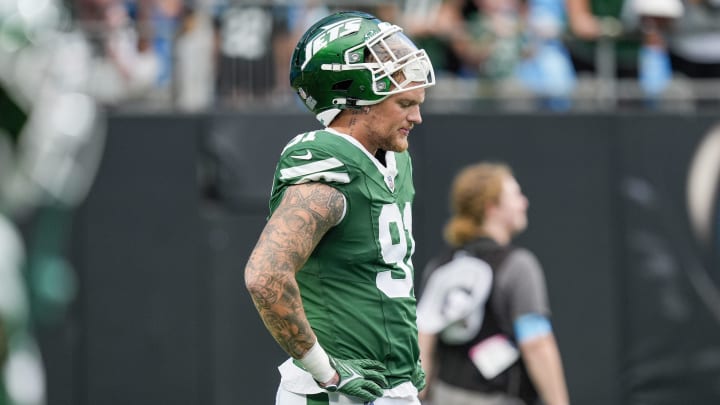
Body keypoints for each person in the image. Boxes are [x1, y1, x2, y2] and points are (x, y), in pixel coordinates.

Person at [243, 10, 435, 405]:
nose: (416, 116)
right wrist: (324, 369)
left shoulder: (395, 158)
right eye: (403, 103)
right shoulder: (329, 165)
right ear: (355, 98)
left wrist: (404, 360)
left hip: (388, 384)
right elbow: (265, 275)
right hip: (336, 393)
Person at [416, 162, 569, 405]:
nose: (524, 203)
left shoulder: (440, 265)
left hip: (443, 395)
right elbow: (537, 344)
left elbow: (423, 337)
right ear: (492, 207)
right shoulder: (518, 266)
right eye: (516, 195)